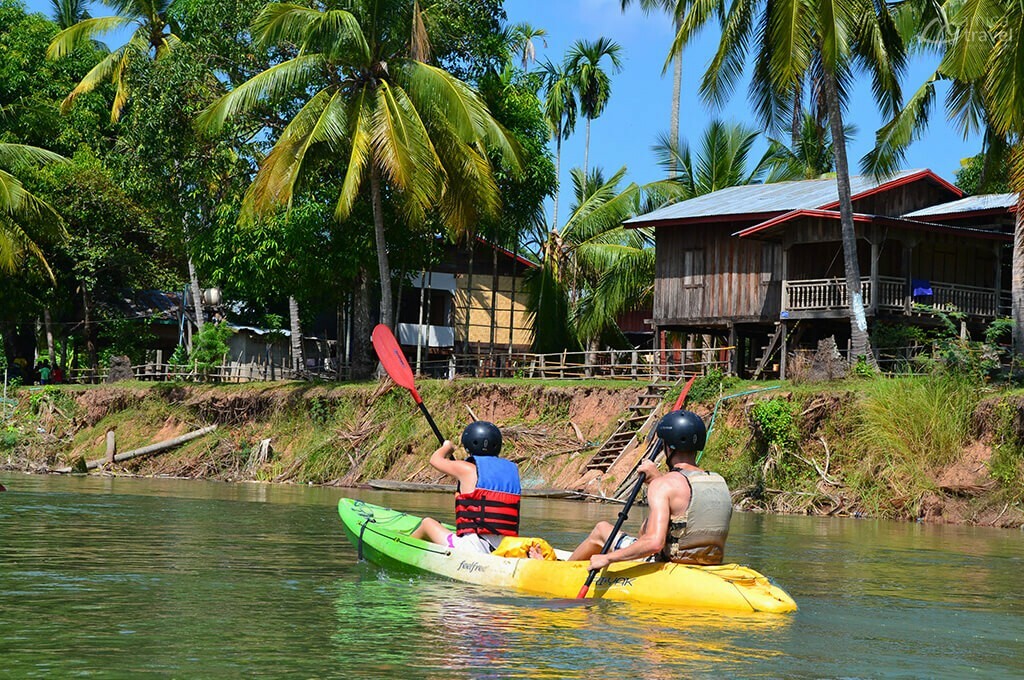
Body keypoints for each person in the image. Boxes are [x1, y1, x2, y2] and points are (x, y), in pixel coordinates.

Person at [568, 409, 732, 569]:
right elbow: (687, 511)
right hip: (709, 563)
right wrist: (657, 479)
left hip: (671, 564)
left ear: (668, 446)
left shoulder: (663, 485)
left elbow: (654, 543)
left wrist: (607, 558)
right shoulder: (719, 481)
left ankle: (561, 570)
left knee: (601, 530)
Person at [410, 421, 522, 554]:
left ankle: (402, 551)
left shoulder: (466, 468)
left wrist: (447, 447)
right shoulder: (511, 471)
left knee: (427, 523)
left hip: (473, 548)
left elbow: (435, 460)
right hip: (505, 548)